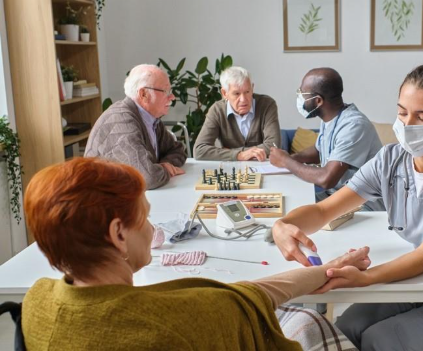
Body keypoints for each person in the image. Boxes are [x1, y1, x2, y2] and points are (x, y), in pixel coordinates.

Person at [271, 62, 423, 350]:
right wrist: (284, 225)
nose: (407, 125)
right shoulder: (390, 159)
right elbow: (324, 211)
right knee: (345, 329)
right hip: (418, 286)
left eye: (422, 117)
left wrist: (365, 279)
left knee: (377, 340)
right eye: (402, 112)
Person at [21, 157, 368, 351]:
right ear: (118, 234)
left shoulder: (36, 302)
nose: (152, 229)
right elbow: (247, 299)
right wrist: (330, 268)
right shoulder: (177, 322)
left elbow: (244, 297)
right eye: (143, 217)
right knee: (309, 323)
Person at [269, 68, 383, 210]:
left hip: (363, 205)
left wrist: (286, 161)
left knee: (294, 215)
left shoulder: (354, 126)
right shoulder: (330, 118)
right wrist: (292, 157)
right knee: (287, 205)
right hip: (336, 196)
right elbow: (318, 150)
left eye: (302, 93)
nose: (299, 97)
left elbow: (326, 179)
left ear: (318, 101)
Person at [84, 64, 186, 190]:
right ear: (143, 94)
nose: (172, 97)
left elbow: (178, 151)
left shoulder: (151, 118)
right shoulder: (121, 121)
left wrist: (161, 165)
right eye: (166, 91)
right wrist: (163, 168)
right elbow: (148, 178)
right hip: (100, 203)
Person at [193, 66, 281, 161]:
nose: (243, 100)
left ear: (252, 88)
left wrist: (230, 152)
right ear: (224, 93)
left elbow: (273, 146)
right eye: (236, 94)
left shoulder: (267, 105)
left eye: (247, 92)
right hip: (232, 170)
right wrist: (239, 155)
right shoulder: (217, 110)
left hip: (263, 167)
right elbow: (199, 150)